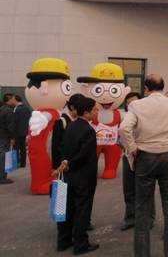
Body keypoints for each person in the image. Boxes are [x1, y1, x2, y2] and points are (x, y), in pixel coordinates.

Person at [119, 74, 168, 257]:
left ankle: (142, 253)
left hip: (145, 157)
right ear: (163, 87)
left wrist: (132, 148)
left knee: (142, 208)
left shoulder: (137, 105)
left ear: (146, 88)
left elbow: (124, 129)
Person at [54, 96, 100, 255]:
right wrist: (70, 163)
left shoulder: (71, 126)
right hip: (83, 176)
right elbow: (84, 155)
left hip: (69, 175)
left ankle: (64, 241)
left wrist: (65, 163)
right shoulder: (88, 130)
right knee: (82, 210)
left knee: (68, 208)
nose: (97, 112)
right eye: (94, 110)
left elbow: (63, 148)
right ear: (86, 112)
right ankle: (81, 244)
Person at [120, 92, 156, 232]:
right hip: (128, 156)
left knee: (146, 189)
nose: (131, 104)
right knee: (129, 189)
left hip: (144, 155)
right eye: (128, 102)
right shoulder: (124, 117)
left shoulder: (147, 118)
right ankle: (130, 218)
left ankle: (149, 218)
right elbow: (120, 135)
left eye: (134, 101)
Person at [12, 95, 31, 168]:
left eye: (13, 99)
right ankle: (23, 163)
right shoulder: (27, 108)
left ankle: (16, 163)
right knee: (23, 148)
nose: (12, 100)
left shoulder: (17, 109)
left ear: (15, 100)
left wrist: (13, 133)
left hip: (17, 132)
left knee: (16, 148)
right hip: (25, 131)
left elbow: (15, 121)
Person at [0, 93, 16, 185]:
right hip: (5, 137)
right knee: (3, 157)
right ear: (9, 100)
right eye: (13, 99)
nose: (14, 100)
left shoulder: (2, 108)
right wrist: (12, 138)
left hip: (1, 136)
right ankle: (2, 178)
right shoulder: (9, 111)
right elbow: (10, 126)